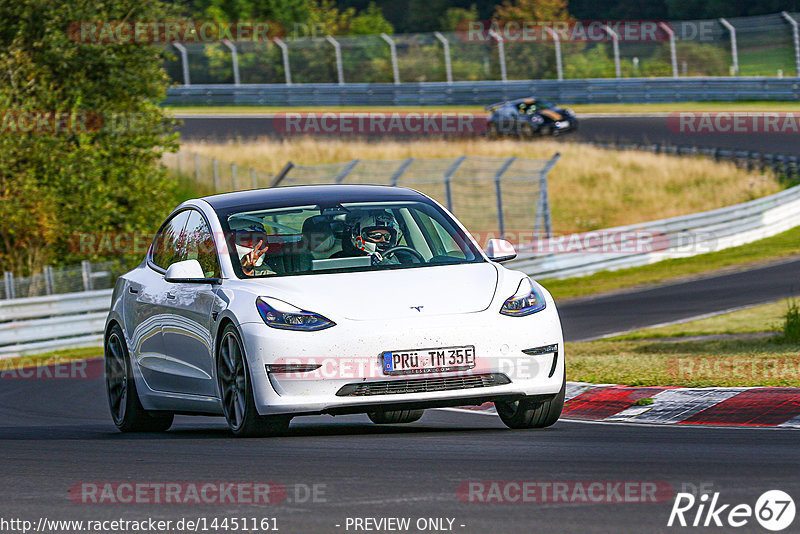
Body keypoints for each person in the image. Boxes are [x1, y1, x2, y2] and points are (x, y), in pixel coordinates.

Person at [336, 210, 401, 264]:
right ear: (356, 234)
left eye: (388, 236)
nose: (383, 240)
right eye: (376, 235)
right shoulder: (340, 262)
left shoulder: (399, 259)